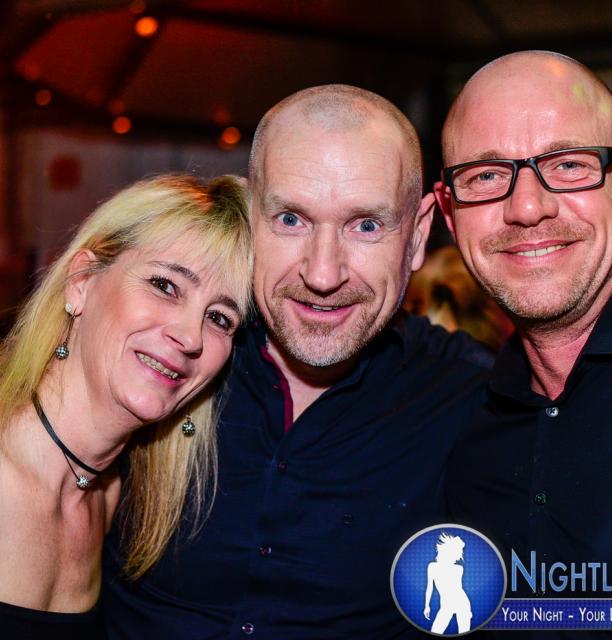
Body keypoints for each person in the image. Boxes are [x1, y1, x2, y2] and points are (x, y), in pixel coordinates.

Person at [103, 85, 492, 639]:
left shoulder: (475, 399)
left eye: (366, 225)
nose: (323, 274)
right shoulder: (165, 358)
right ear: (249, 215)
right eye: (291, 219)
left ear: (417, 235)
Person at [436, 50, 612, 636]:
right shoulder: (461, 423)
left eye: (569, 164)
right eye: (485, 176)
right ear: (450, 214)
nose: (527, 208)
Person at [0, 174, 252, 639]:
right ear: (81, 282)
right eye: (165, 285)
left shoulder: (111, 495)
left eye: (220, 318)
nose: (191, 336)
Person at [424, 533, 471, 634]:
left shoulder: (459, 569)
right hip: (446, 605)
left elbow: (458, 589)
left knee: (464, 633)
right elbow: (429, 587)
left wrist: (467, 611)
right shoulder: (432, 567)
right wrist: (427, 605)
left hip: (462, 603)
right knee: (435, 631)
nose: (459, 555)